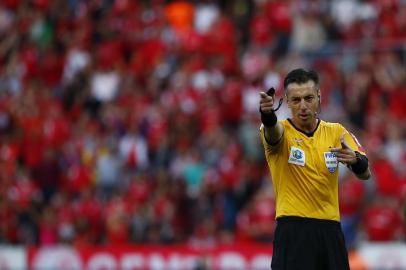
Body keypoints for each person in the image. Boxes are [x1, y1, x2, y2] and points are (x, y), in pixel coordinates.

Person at [259, 68, 371, 270]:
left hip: (330, 231)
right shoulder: (282, 131)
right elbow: (272, 133)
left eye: (309, 98)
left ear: (319, 97)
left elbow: (365, 173)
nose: (303, 106)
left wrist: (356, 161)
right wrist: (267, 116)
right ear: (286, 100)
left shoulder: (336, 132)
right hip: (293, 231)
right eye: (296, 100)